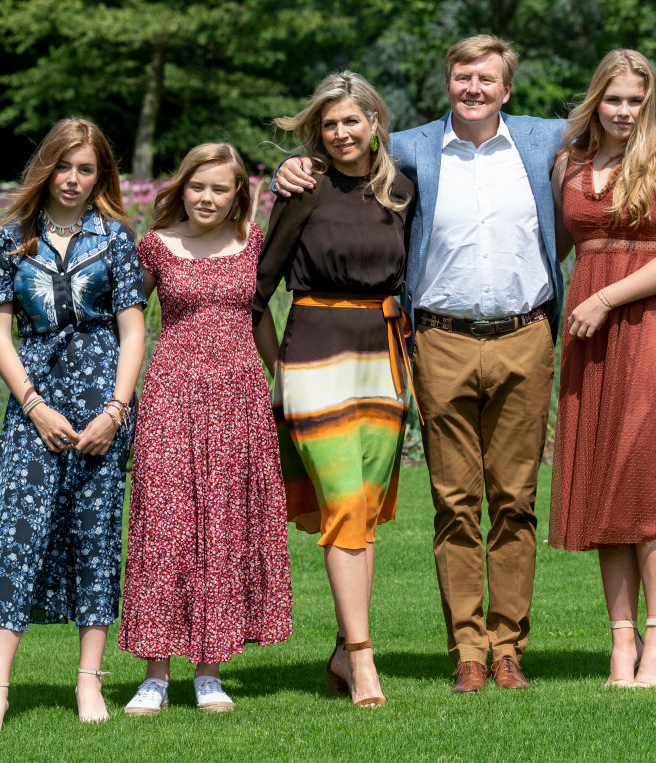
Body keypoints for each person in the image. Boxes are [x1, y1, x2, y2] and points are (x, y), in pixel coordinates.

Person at [275, 35, 656, 693]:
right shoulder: (410, 147)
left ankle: (507, 648)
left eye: (486, 79)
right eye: (463, 77)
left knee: (515, 500)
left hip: (526, 336)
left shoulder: (542, 139)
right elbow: (343, 151)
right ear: (449, 82)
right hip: (439, 339)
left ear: (506, 87)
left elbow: (623, 120)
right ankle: (468, 648)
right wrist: (294, 168)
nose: (474, 88)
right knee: (455, 501)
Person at [0, 117, 146, 734]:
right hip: (33, 404)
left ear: (101, 177)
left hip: (102, 402)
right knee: (18, 532)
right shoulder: (10, 239)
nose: (74, 179)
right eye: (64, 166)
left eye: (87, 169)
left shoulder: (115, 239)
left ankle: (90, 681)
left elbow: (134, 329)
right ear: (47, 168)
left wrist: (117, 411)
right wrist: (33, 404)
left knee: (95, 536)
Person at [548, 49, 656, 688]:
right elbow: (548, 242)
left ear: (652, 104)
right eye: (613, 99)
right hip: (592, 336)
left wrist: (604, 297)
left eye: (636, 101)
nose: (623, 111)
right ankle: (621, 641)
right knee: (603, 475)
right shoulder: (568, 161)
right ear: (597, 99)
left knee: (653, 474)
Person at [254, 71, 415, 708]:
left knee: (362, 515)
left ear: (375, 122)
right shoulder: (303, 188)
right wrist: (279, 370)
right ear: (317, 132)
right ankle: (364, 662)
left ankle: (346, 653)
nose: (343, 133)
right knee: (346, 505)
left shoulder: (403, 189)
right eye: (330, 124)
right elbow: (258, 289)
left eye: (353, 120)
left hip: (384, 356)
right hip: (315, 357)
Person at [118, 143, 292, 715]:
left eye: (220, 188)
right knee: (164, 524)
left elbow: (260, 315)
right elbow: (126, 320)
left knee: (222, 528)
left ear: (239, 192)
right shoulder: (155, 246)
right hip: (172, 395)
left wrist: (282, 379)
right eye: (197, 186)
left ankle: (210, 671)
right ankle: (155, 674)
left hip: (240, 396)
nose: (207, 197)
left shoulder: (254, 243)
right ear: (181, 188)